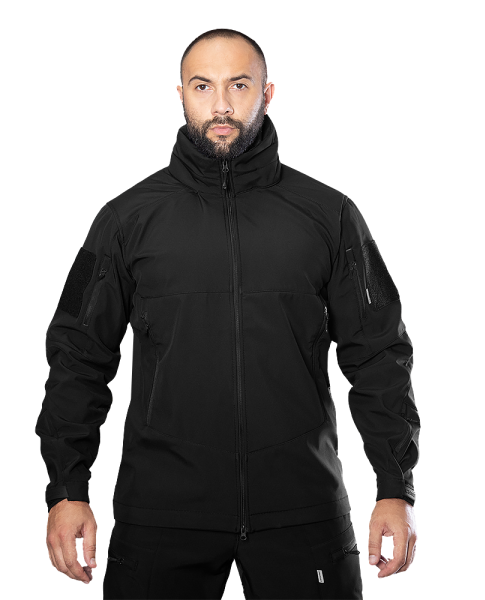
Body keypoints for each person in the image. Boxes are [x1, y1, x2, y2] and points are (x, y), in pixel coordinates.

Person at [36, 27, 420, 599]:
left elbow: (380, 352)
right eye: (202, 86)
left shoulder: (334, 216)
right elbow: (77, 355)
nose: (220, 105)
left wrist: (395, 485)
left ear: (268, 93)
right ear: (180, 95)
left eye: (238, 85)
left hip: (303, 511)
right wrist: (67, 489)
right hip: (160, 515)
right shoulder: (122, 220)